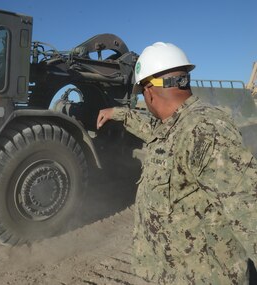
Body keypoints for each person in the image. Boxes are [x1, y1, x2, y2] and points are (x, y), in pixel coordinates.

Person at [97, 42, 257, 284]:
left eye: (142, 93)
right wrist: (118, 114)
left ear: (149, 90)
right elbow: (152, 130)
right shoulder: (176, 125)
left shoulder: (205, 131)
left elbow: (249, 213)